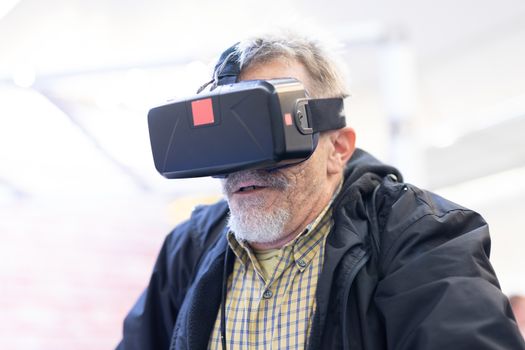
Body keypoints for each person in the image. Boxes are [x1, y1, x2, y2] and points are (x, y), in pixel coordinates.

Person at [117, 32, 525, 350]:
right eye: (231, 141)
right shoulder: (188, 247)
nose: (244, 168)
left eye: (268, 133)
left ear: (338, 148)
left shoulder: (421, 237)